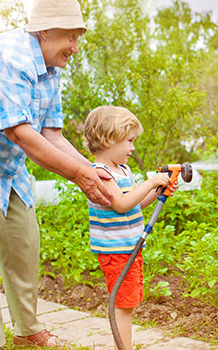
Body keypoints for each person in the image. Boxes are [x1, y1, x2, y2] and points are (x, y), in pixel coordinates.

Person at [0, 0, 114, 348]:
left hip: (0, 160)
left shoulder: (49, 71)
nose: (75, 47)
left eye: (78, 37)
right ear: (45, 32)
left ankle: (27, 331)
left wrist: (92, 169)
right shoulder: (10, 57)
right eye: (70, 36)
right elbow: (22, 133)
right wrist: (78, 176)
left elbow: (52, 135)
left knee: (23, 240)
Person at [83, 106, 176, 350]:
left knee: (128, 303)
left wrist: (157, 191)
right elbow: (122, 204)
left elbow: (136, 205)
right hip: (117, 251)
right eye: (129, 141)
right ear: (108, 139)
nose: (133, 147)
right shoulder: (100, 173)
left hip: (129, 247)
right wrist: (150, 181)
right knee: (124, 306)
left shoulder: (123, 170)